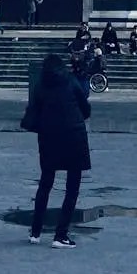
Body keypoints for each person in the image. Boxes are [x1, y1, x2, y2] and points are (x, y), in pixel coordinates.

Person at [27, 53, 91, 249]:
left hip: (49, 137)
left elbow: (33, 112)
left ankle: (36, 232)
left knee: (45, 183)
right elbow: (85, 109)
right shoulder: (71, 82)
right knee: (72, 187)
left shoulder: (40, 86)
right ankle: (60, 234)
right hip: (74, 137)